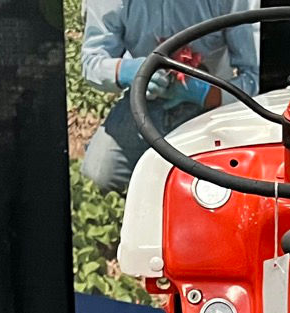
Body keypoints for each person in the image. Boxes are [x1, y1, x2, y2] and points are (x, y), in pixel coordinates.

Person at [79, 0, 259, 194]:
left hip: (212, 109)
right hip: (144, 100)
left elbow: (256, 77)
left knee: (215, 190)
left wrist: (207, 93)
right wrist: (127, 71)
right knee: (100, 176)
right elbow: (93, 61)